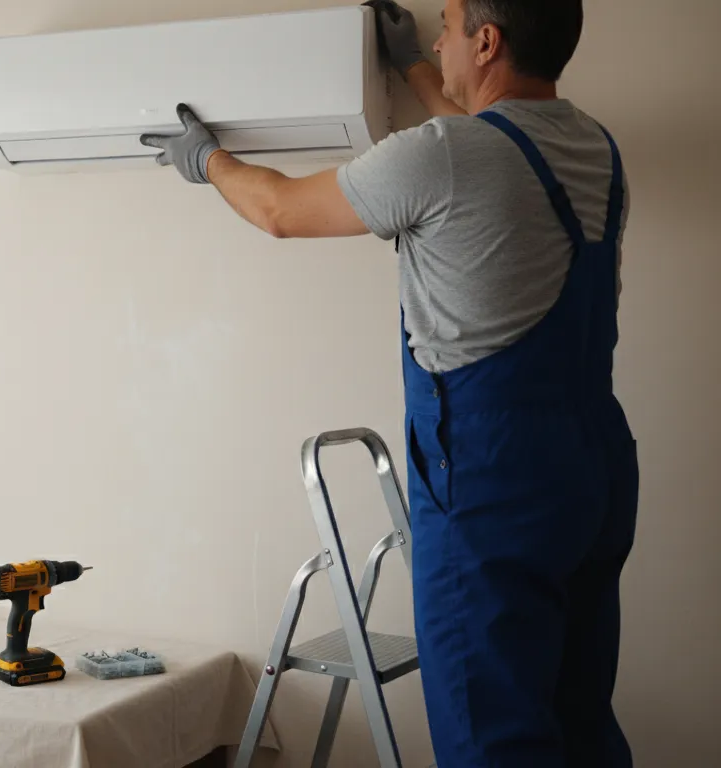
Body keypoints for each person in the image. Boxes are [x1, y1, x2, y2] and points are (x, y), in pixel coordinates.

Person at [139, 0, 638, 765]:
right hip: (592, 471)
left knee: (492, 735)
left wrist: (208, 159)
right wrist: (410, 67)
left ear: (487, 42)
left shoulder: (443, 155)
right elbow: (483, 146)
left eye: (447, 26)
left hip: (491, 482)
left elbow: (278, 209)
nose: (437, 42)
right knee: (577, 717)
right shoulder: (596, 149)